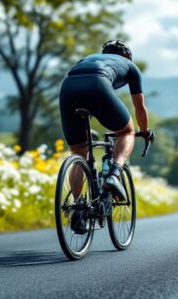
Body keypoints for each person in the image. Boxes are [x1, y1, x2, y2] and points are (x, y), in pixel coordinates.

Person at [59, 40, 154, 231]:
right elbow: (139, 107)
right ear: (127, 55)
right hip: (97, 83)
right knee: (126, 131)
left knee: (78, 151)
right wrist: (143, 131)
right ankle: (114, 175)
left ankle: (78, 209)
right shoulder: (130, 66)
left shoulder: (87, 59)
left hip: (68, 87)